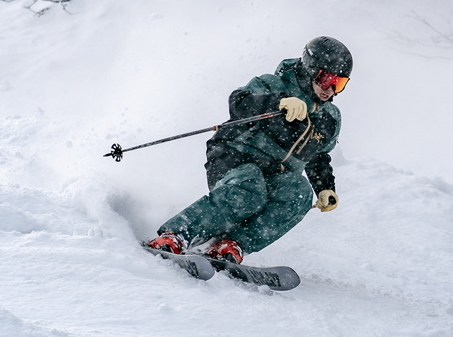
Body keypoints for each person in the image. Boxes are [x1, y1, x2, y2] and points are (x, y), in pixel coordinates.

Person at [146, 36, 352, 264]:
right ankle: (176, 234)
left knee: (300, 194)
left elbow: (319, 155)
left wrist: (325, 188)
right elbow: (238, 101)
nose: (330, 90)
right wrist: (278, 103)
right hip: (234, 156)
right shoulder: (273, 84)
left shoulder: (329, 118)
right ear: (310, 70)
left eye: (339, 83)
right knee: (250, 187)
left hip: (275, 174)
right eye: (326, 80)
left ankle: (231, 243)